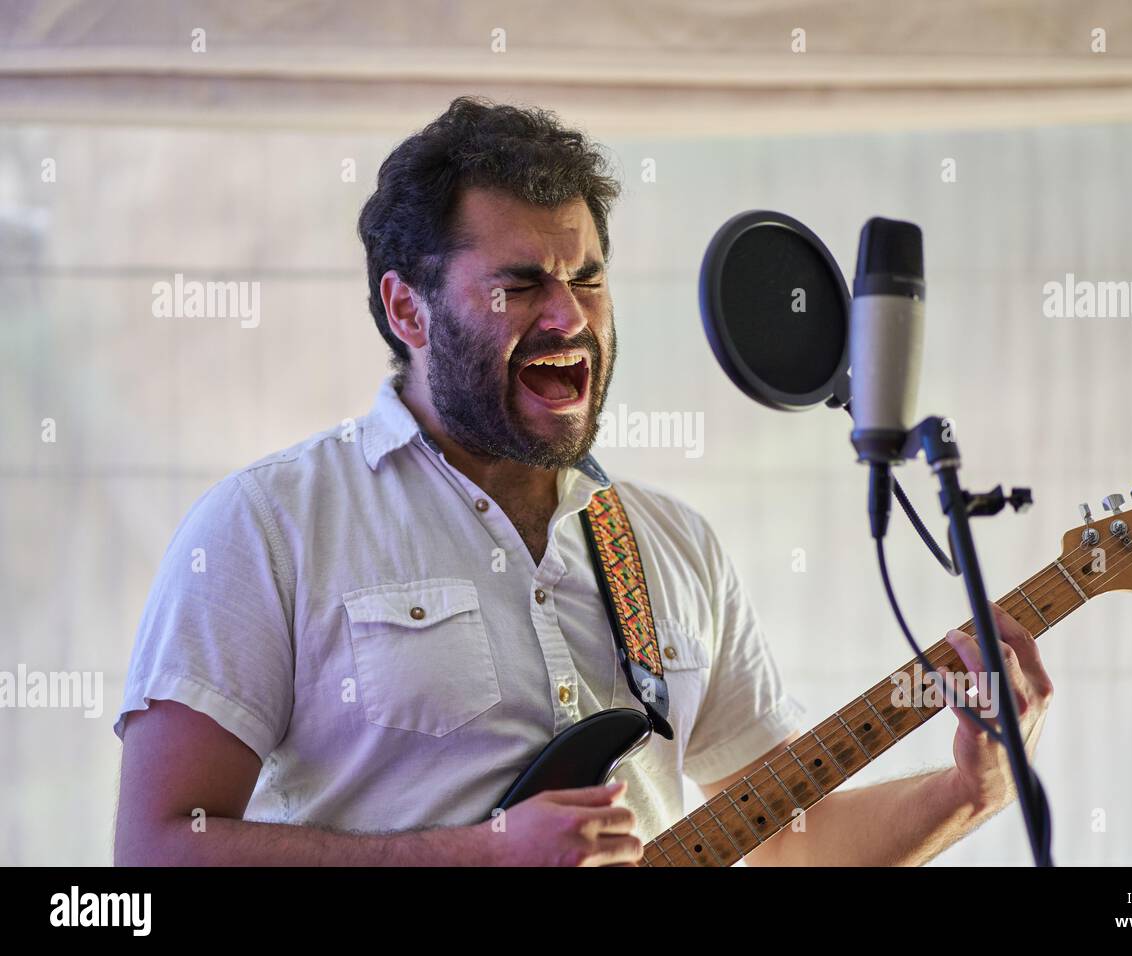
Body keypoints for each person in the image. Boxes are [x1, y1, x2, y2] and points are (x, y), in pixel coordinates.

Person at [113, 96, 1053, 866]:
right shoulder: (269, 525)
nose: (569, 317)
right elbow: (158, 853)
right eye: (520, 285)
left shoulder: (670, 543)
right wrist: (483, 855)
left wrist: (966, 791)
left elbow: (785, 848)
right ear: (408, 307)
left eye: (589, 279)